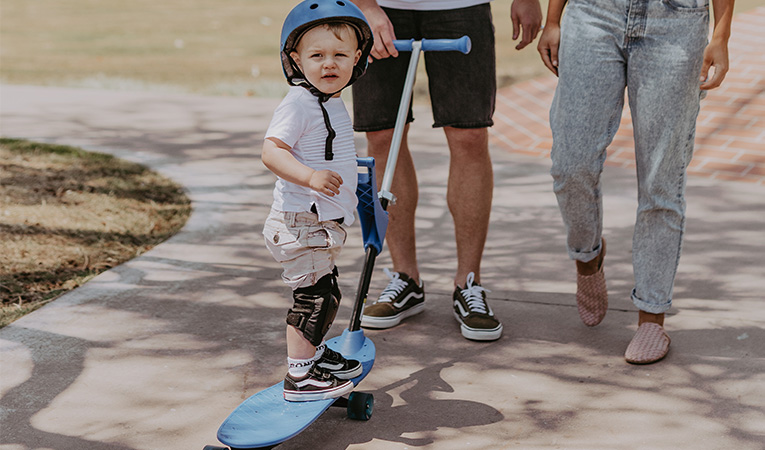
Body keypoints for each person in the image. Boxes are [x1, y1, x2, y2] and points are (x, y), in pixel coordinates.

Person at [537, 0, 733, 363]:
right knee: (571, 163)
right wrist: (552, 19)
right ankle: (588, 257)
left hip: (675, 22)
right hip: (594, 14)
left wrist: (721, 34)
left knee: (662, 178)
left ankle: (652, 316)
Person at [351, 0, 542, 341]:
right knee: (382, 135)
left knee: (469, 136)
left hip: (460, 5)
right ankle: (405, 279)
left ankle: (468, 283)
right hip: (380, 6)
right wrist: (364, 5)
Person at [261, 0, 374, 401]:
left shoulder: (331, 101)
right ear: (296, 59)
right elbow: (271, 151)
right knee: (313, 299)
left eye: (340, 55)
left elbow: (331, 155)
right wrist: (309, 177)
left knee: (326, 293)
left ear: (357, 58)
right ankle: (300, 377)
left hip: (319, 223)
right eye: (317, 55)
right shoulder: (299, 102)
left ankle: (315, 355)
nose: (329, 64)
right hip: (299, 221)